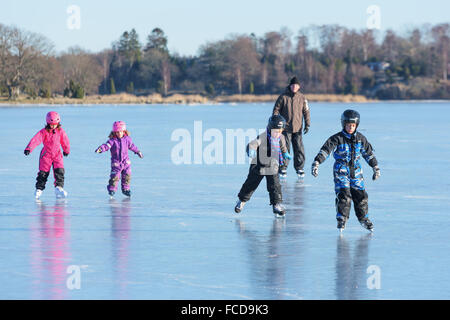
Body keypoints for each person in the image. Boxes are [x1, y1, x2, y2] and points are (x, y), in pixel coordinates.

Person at [311, 109, 380, 232]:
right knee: (344, 195)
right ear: (343, 124)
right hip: (341, 170)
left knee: (361, 196)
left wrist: (375, 167)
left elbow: (368, 154)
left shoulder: (360, 138)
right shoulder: (337, 138)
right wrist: (317, 162)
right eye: (348, 125)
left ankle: (364, 218)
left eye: (353, 125)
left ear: (356, 125)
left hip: (356, 171)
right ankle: (342, 218)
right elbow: (325, 151)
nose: (350, 128)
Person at [234, 115, 292, 217]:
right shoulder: (263, 137)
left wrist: (285, 153)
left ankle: (276, 205)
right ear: (269, 129)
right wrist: (251, 150)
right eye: (275, 131)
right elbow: (253, 144)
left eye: (280, 131)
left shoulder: (281, 138)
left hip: (272, 165)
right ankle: (241, 201)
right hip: (258, 166)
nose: (278, 133)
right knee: (250, 184)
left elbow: (283, 147)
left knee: (275, 186)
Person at [24, 111, 70, 199]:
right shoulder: (44, 132)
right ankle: (39, 189)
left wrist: (66, 150)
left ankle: (59, 188)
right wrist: (29, 148)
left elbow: (65, 141)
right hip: (46, 155)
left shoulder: (60, 131)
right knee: (43, 173)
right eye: (51, 124)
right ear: (48, 123)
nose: (53, 126)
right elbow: (36, 140)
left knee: (59, 171)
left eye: (55, 124)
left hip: (57, 154)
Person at [273, 76, 311, 179]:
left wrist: (307, 124)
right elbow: (276, 109)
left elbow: (306, 111)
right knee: (285, 148)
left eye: (296, 85)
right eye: (293, 85)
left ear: (299, 87)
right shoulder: (283, 97)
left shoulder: (302, 97)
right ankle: (283, 167)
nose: (294, 87)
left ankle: (299, 167)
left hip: (298, 128)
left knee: (299, 148)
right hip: (286, 128)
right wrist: (276, 122)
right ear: (290, 86)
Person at [95, 121, 143, 197]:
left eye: (120, 132)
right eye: (117, 132)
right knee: (115, 177)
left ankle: (125, 189)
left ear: (124, 131)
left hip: (126, 162)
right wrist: (100, 149)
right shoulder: (112, 141)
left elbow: (132, 146)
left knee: (127, 176)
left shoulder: (127, 139)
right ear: (114, 132)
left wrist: (138, 152)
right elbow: (106, 146)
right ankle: (112, 189)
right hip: (116, 163)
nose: (119, 134)